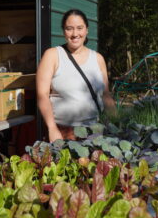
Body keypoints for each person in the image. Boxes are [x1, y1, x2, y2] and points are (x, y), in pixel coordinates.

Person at [36, 9, 116, 142]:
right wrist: (52, 128)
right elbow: (42, 95)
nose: (75, 34)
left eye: (80, 28)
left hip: (94, 132)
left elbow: (105, 95)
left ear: (86, 30)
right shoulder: (52, 55)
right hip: (63, 132)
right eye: (69, 29)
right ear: (63, 31)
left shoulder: (98, 59)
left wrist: (116, 122)